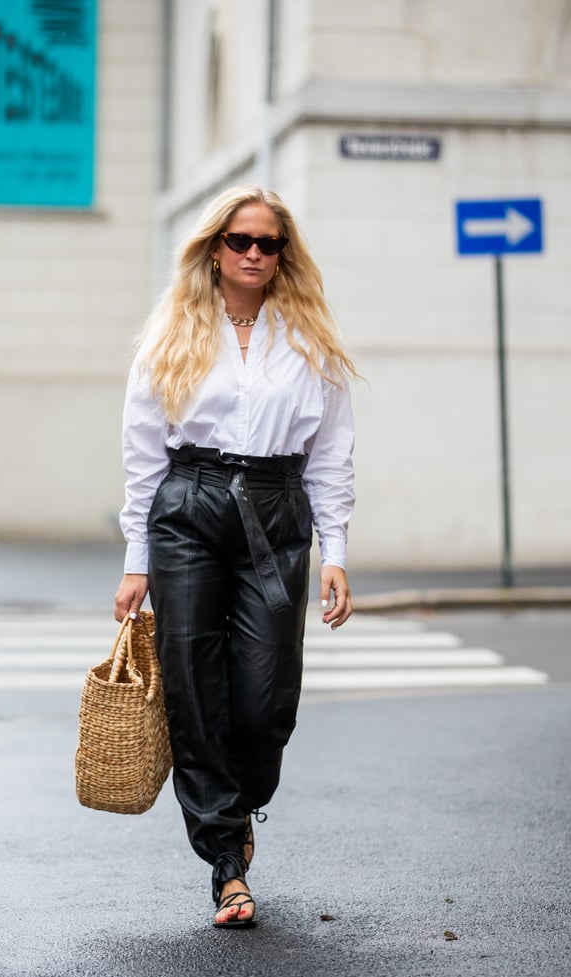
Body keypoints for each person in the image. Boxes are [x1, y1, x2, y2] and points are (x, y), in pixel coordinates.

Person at [114, 185, 356, 929]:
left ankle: (241, 803)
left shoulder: (311, 338)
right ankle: (225, 861)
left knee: (262, 698)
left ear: (285, 256)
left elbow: (333, 454)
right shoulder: (172, 333)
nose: (254, 254)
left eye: (269, 243)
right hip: (189, 507)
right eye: (240, 241)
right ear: (214, 249)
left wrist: (335, 550)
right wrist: (136, 557)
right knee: (190, 683)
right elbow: (143, 451)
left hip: (277, 515)